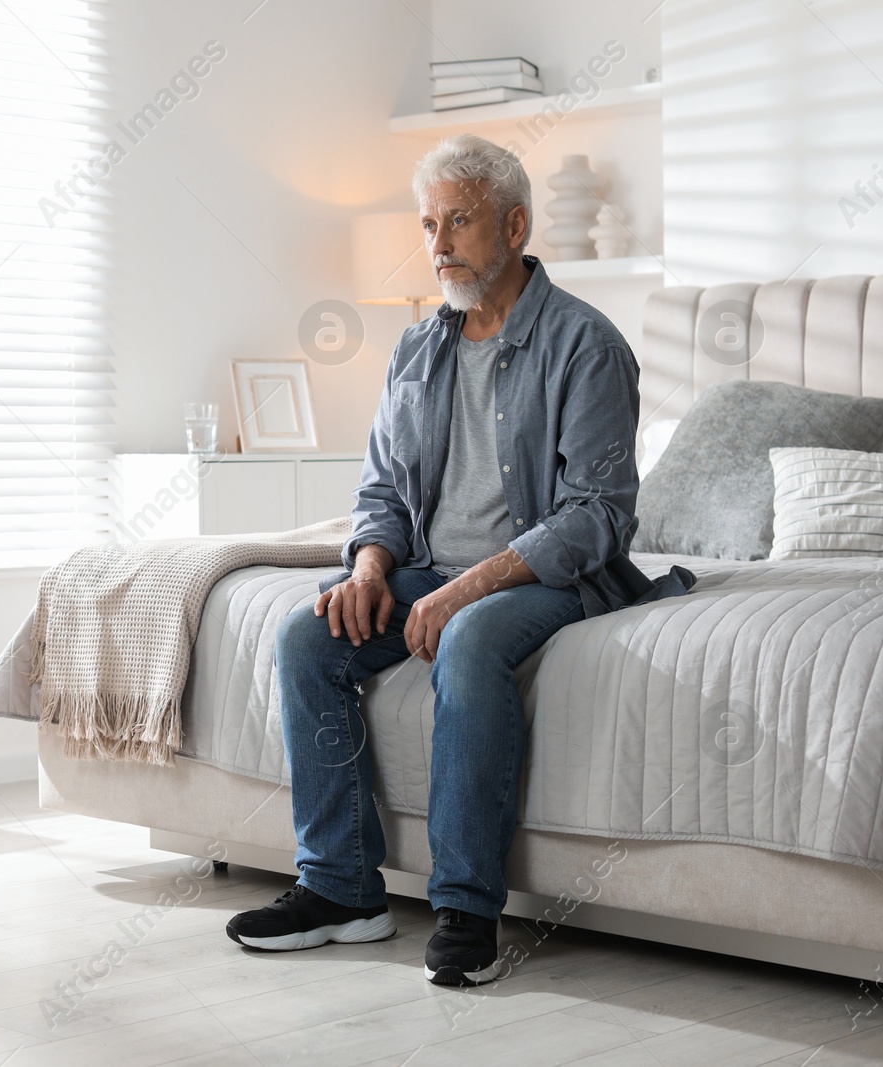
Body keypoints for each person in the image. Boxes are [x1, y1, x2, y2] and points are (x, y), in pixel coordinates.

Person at [224, 134, 694, 986]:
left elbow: (598, 518)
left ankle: (467, 908)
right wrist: (369, 569)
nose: (436, 245)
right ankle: (341, 889)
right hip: (429, 568)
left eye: (459, 221)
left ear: (514, 225)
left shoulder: (587, 346)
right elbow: (383, 495)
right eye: (430, 222)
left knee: (472, 641)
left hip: (554, 578)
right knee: (307, 637)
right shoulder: (415, 350)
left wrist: (469, 588)